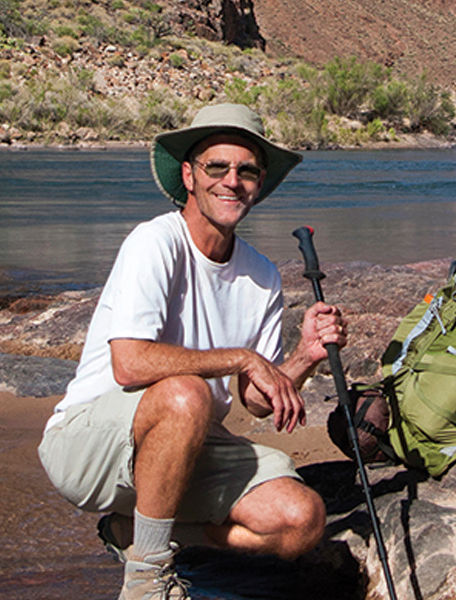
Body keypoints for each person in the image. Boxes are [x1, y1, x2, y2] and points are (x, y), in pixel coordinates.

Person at [39, 104, 348, 600]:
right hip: (87, 446)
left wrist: (307, 355)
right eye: (217, 167)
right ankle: (146, 578)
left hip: (188, 443)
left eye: (247, 170)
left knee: (300, 520)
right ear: (189, 174)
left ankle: (136, 533)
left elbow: (256, 401)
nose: (232, 181)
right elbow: (130, 363)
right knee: (187, 394)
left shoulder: (263, 274)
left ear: (260, 183)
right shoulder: (154, 243)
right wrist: (239, 357)